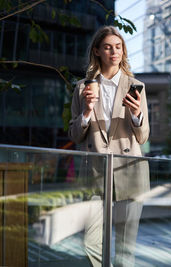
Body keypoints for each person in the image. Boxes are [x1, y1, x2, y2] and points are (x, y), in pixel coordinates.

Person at [68, 26, 150, 267]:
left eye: (118, 46)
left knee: (125, 250)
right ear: (97, 51)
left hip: (130, 172)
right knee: (90, 244)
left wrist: (136, 115)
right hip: (95, 173)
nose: (114, 51)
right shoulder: (82, 88)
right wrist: (85, 112)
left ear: (123, 51)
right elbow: (75, 134)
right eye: (107, 46)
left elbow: (143, 137)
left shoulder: (136, 86)